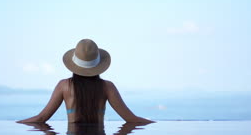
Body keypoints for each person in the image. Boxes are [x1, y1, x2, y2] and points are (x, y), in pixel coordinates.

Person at [17, 39, 154, 123]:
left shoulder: (64, 86)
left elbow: (41, 119)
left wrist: (18, 123)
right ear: (98, 64)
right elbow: (131, 119)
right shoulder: (107, 87)